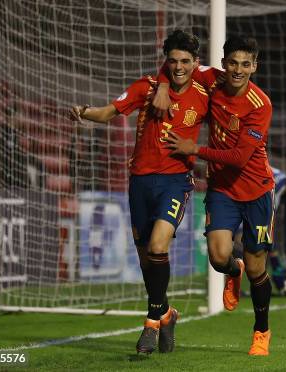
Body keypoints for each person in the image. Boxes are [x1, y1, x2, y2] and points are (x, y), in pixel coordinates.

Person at [69, 30, 209, 355]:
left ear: (196, 63)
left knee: (159, 245)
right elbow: (106, 113)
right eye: (172, 61)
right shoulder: (144, 88)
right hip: (140, 182)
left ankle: (150, 322)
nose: (178, 67)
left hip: (175, 181)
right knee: (148, 258)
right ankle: (167, 314)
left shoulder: (205, 94)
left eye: (185, 61)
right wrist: (83, 111)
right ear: (166, 62)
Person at [154, 36, 275, 356]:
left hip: (257, 189)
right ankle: (231, 273)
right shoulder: (211, 79)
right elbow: (177, 66)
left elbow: (239, 157)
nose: (238, 70)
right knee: (219, 257)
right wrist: (164, 86)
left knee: (257, 268)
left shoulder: (260, 105)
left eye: (245, 64)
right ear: (224, 63)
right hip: (222, 189)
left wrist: (195, 149)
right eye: (233, 62)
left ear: (254, 66)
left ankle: (261, 331)